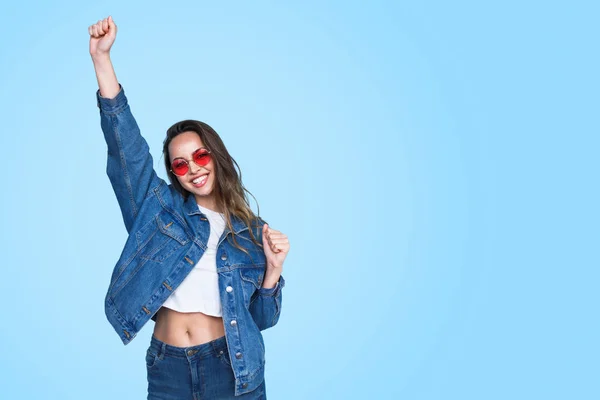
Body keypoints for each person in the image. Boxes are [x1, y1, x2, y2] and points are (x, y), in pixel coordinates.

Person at [88, 16, 290, 399]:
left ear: (215, 155)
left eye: (200, 155)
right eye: (180, 164)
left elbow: (262, 320)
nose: (193, 168)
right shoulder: (158, 208)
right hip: (168, 366)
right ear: (173, 174)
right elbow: (125, 147)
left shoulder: (251, 231)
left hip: (231, 366)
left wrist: (273, 273)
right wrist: (102, 59)